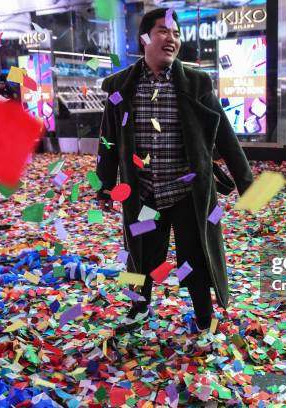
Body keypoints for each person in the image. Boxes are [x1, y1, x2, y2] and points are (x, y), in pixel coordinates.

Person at [96, 8, 253, 334]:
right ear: (144, 39)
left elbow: (225, 134)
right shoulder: (121, 88)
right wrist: (105, 186)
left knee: (194, 257)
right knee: (139, 256)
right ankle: (137, 308)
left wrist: (247, 183)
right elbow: (108, 141)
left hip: (188, 193)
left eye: (177, 33)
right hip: (144, 194)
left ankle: (203, 316)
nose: (172, 39)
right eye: (163, 31)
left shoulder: (196, 83)